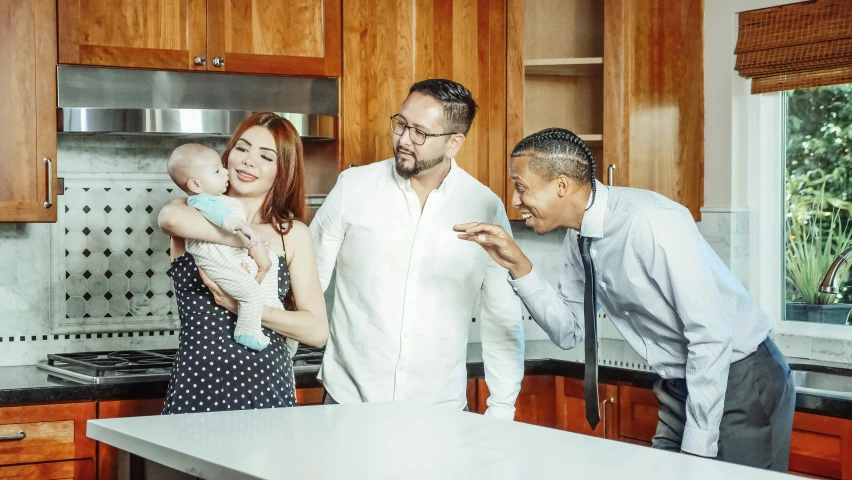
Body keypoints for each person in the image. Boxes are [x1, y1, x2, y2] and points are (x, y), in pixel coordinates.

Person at [456, 127, 795, 471]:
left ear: (561, 185)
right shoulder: (578, 239)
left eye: (521, 187)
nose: (514, 200)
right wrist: (518, 263)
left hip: (741, 377)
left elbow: (711, 333)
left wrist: (697, 449)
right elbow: (568, 332)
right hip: (681, 383)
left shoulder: (649, 221)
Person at [310, 79, 525, 418]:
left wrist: (501, 410)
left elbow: (501, 317)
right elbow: (305, 285)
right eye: (401, 124)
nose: (403, 140)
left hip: (441, 413)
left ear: (454, 143)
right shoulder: (353, 188)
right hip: (348, 403)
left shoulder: (485, 206)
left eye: (420, 133)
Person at [158, 112, 329, 413]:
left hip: (267, 387)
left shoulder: (293, 235)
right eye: (242, 148)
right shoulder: (189, 210)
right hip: (197, 386)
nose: (249, 161)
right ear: (227, 157)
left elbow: (316, 331)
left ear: (283, 170)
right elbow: (169, 218)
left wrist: (242, 307)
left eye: (266, 156)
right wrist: (251, 240)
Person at [166, 143, 278, 351]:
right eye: (217, 170)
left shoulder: (219, 201)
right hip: (219, 264)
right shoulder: (202, 201)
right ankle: (246, 330)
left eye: (267, 157)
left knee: (265, 290)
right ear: (196, 185)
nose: (225, 171)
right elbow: (222, 218)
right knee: (252, 293)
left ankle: (278, 333)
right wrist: (244, 231)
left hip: (231, 260)